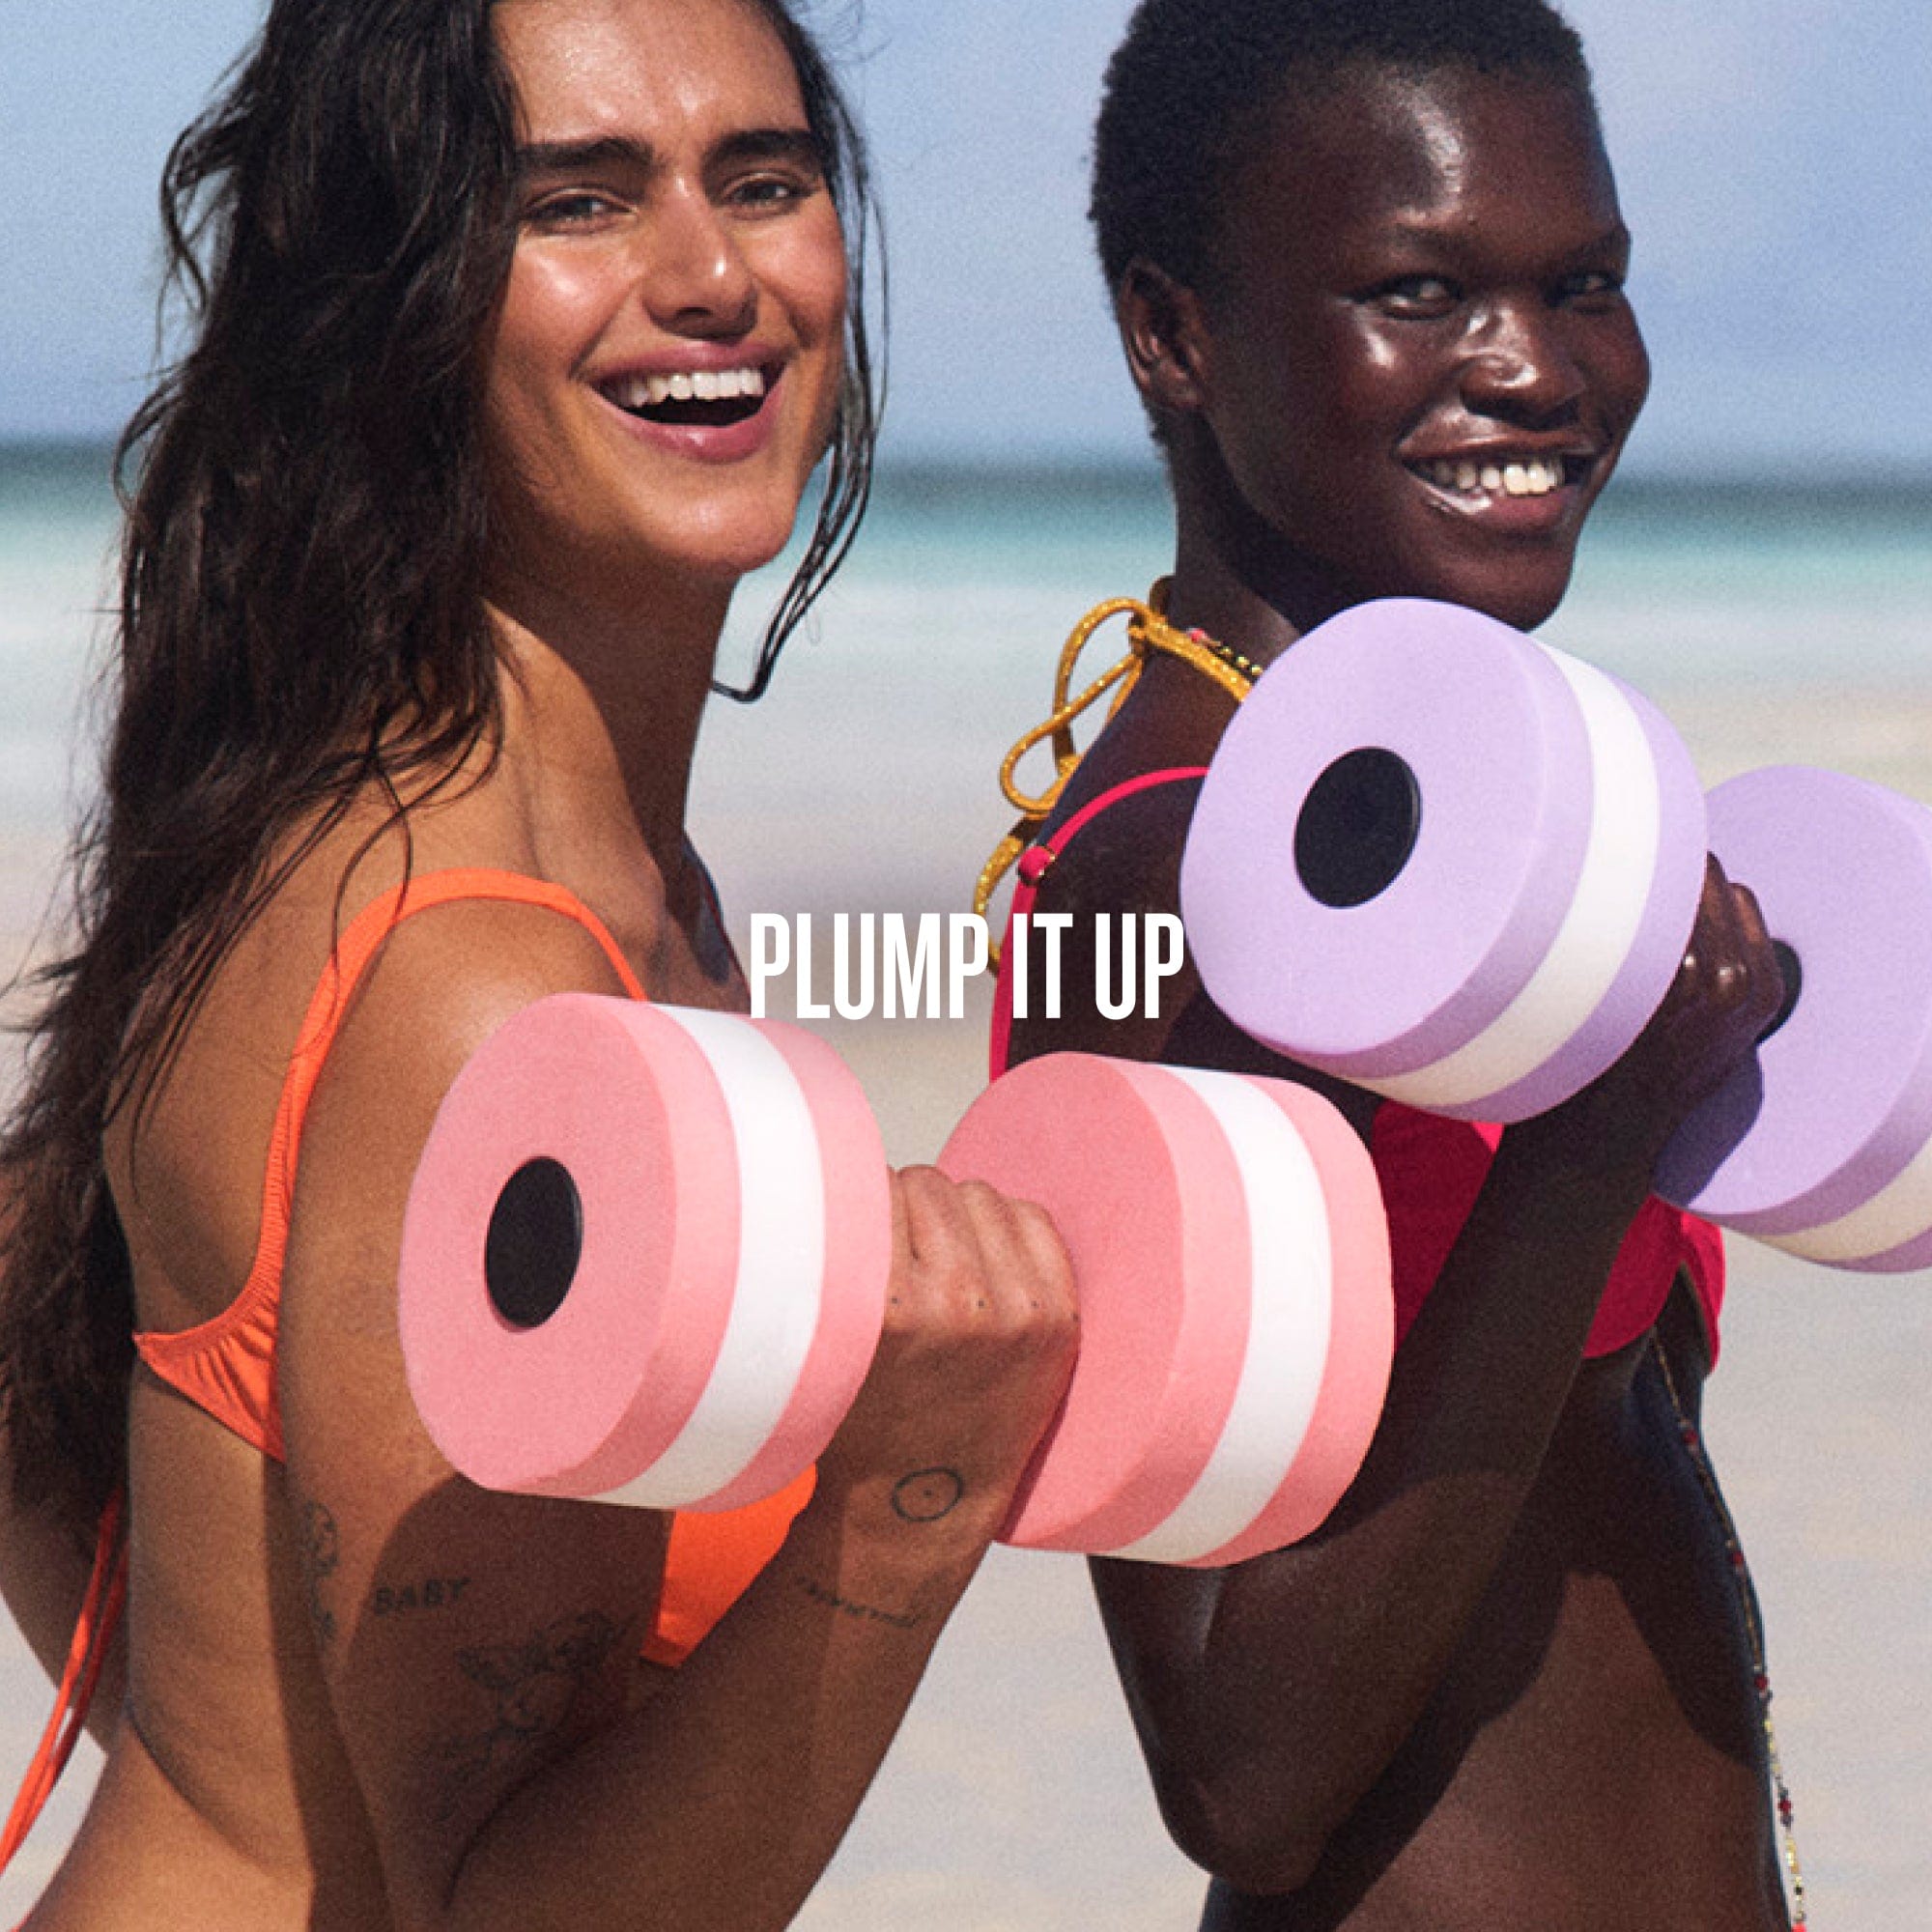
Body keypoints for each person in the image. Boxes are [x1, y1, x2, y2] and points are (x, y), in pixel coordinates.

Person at [0, 0, 1079, 1924]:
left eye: (764, 180)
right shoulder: (479, 979)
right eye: (576, 202)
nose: (711, 275)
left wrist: (225, 1769)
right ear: (398, 306)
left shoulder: (417, 826)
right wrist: (906, 1509)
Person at [986, 1, 1803, 1925]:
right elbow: (1241, 1769)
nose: (1535, 369)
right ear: (1173, 336)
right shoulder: (1176, 875)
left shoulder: (1449, 816)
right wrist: (1599, 1135)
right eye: (1421, 294)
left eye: (1582, 282)